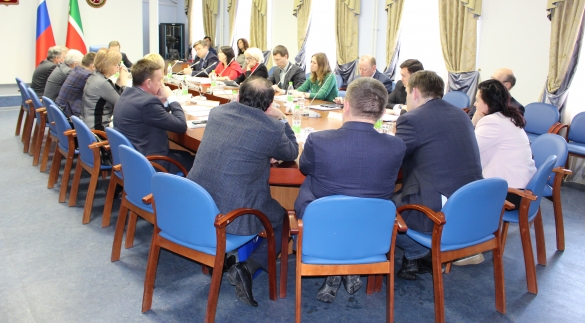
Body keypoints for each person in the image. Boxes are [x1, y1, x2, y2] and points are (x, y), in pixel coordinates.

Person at [187, 76, 298, 308]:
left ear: (238, 96)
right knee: (284, 219)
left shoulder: (217, 113)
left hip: (197, 204)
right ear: (269, 106)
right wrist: (281, 118)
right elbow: (291, 152)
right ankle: (247, 267)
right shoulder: (271, 128)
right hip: (233, 215)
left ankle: (231, 260)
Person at [294, 77, 406, 303]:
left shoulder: (319, 141)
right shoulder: (397, 146)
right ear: (382, 112)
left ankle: (335, 266)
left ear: (346, 106)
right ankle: (349, 263)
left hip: (323, 230)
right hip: (370, 233)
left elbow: (304, 167)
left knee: (312, 184)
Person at [394, 70, 483, 280]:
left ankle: (421, 252)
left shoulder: (411, 119)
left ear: (415, 92)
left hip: (438, 208)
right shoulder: (461, 114)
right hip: (471, 203)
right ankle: (414, 257)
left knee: (378, 204)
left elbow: (392, 157)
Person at [113, 59, 194, 173]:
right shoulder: (148, 103)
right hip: (151, 164)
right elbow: (181, 126)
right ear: (148, 83)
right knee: (196, 161)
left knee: (185, 155)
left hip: (131, 160)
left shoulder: (127, 94)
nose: (161, 84)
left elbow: (155, 116)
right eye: (159, 80)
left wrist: (164, 102)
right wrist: (171, 98)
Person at [473, 79, 536, 207]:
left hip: (511, 192)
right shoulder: (508, 117)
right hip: (523, 187)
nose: (475, 104)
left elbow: (469, 151)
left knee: (458, 192)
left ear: (488, 102)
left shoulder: (492, 122)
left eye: (477, 100)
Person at [81, 50, 128, 130]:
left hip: (88, 125)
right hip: (98, 130)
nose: (118, 66)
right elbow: (124, 105)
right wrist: (124, 84)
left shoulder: (95, 76)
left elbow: (113, 95)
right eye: (115, 64)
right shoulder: (102, 83)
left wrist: (119, 81)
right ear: (107, 65)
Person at [55, 52, 96, 118]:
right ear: (93, 66)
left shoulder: (77, 69)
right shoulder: (87, 74)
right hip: (68, 114)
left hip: (60, 110)